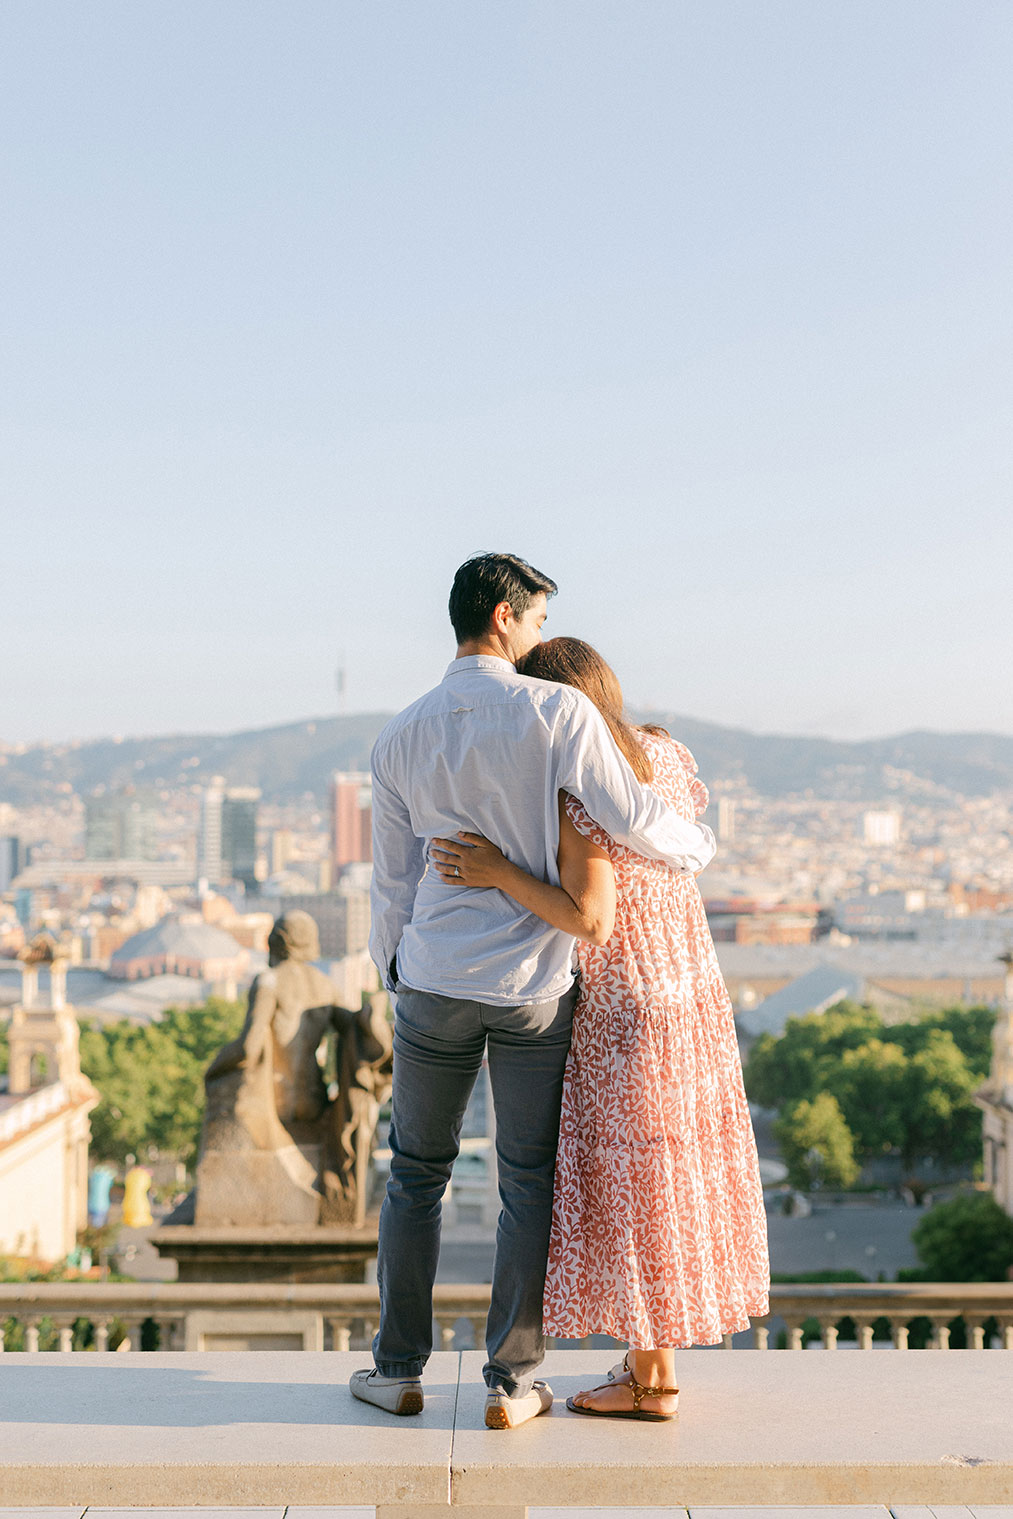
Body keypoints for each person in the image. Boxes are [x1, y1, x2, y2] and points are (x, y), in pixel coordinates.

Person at [350, 553, 716, 1429]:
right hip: (533, 987)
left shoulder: (399, 734)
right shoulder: (555, 710)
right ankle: (511, 1384)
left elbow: (390, 885)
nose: (542, 635)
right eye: (540, 619)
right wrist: (697, 848)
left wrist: (393, 970)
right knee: (525, 1181)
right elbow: (626, 814)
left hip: (433, 980)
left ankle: (397, 1368)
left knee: (413, 1178)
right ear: (507, 617)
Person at [431, 637, 769, 1422]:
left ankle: (653, 1382)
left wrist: (497, 873)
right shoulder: (666, 753)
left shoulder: (575, 787)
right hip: (691, 1000)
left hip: (624, 1010)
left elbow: (590, 915)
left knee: (635, 1188)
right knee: (676, 1175)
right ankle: (650, 1365)